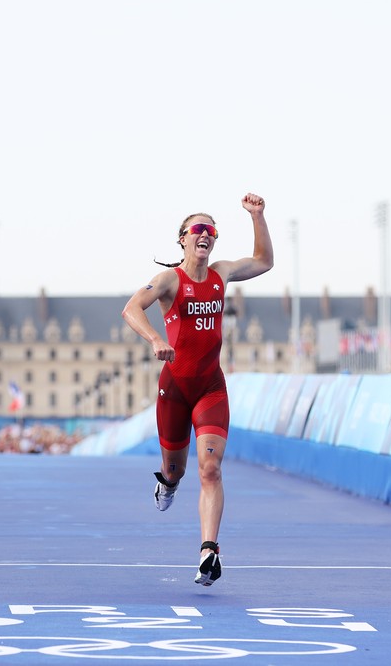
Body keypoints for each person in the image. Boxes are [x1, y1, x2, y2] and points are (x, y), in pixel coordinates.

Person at [121, 193, 273, 587]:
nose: (205, 235)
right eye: (197, 229)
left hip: (210, 388)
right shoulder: (171, 280)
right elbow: (131, 308)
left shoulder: (222, 274)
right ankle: (167, 482)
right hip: (174, 388)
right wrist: (155, 339)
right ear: (183, 240)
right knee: (178, 469)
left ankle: (209, 552)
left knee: (211, 469)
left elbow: (264, 262)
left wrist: (257, 217)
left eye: (211, 230)